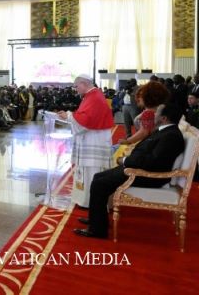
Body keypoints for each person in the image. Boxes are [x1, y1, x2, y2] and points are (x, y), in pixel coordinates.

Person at [74, 103, 185, 238]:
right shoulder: (165, 131)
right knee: (98, 177)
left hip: (148, 176)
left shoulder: (171, 136)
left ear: (164, 118)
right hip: (138, 168)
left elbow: (153, 162)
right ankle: (96, 220)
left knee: (100, 184)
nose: (154, 114)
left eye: (157, 113)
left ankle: (97, 230)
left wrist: (125, 160)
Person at [57, 75, 114, 208]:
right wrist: (69, 116)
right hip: (93, 139)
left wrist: (68, 116)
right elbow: (83, 116)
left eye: (76, 86)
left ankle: (90, 203)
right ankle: (86, 201)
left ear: (84, 84)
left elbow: (85, 121)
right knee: (88, 172)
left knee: (92, 172)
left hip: (93, 142)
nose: (75, 89)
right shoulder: (92, 95)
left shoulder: (94, 97)